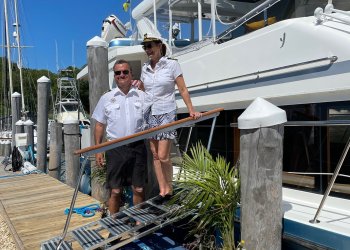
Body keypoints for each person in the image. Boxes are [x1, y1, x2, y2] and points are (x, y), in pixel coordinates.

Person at [136, 33, 202, 203]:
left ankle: (170, 189)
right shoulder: (145, 68)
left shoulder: (172, 65)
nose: (148, 49)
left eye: (150, 46)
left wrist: (191, 110)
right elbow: (144, 90)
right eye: (145, 47)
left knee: (164, 155)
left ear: (159, 45)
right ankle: (163, 190)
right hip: (149, 113)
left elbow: (183, 89)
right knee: (155, 155)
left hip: (166, 111)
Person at [92, 59, 147, 214]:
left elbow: (151, 122)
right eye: (118, 72)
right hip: (115, 149)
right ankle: (114, 223)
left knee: (139, 188)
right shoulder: (106, 98)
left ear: (131, 74)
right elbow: (99, 125)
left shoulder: (142, 96)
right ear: (114, 75)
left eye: (125, 72)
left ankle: (138, 222)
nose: (121, 75)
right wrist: (98, 150)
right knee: (115, 191)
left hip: (138, 147)